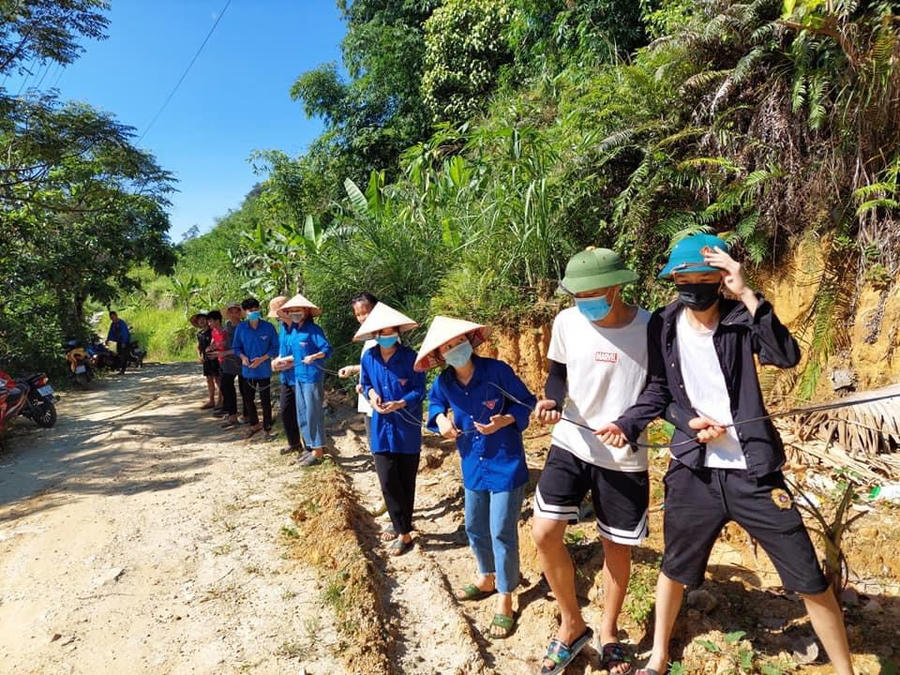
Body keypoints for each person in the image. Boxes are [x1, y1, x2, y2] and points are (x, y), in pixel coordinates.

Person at [595, 234, 854, 675]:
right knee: (674, 567)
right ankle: (658, 656)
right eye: (685, 280)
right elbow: (659, 390)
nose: (693, 287)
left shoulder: (740, 318)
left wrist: (747, 292)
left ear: (720, 279)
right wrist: (641, 423)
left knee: (809, 578)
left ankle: (845, 670)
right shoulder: (664, 324)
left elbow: (785, 355)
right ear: (674, 281)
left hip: (754, 471)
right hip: (692, 472)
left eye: (704, 279)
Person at [532, 247, 651, 675]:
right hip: (572, 441)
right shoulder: (567, 322)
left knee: (615, 546)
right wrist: (551, 400)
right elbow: (557, 374)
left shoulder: (649, 327)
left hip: (622, 454)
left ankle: (609, 632)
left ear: (616, 288)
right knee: (544, 531)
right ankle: (572, 624)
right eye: (577, 295)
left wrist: (630, 423)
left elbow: (660, 388)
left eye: (591, 294)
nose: (583, 302)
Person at [417, 315, 536, 639]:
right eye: (447, 347)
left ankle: (505, 596)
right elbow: (434, 406)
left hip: (506, 463)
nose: (455, 349)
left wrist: (505, 420)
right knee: (474, 526)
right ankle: (486, 576)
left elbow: (527, 402)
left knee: (502, 531)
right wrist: (441, 420)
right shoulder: (444, 383)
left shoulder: (497, 372)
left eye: (459, 342)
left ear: (469, 341)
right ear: (440, 355)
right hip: (472, 464)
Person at [356, 302, 425, 556]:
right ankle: (403, 531)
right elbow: (365, 383)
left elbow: (419, 390)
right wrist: (372, 395)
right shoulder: (369, 357)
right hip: (381, 426)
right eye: (381, 332)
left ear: (397, 332)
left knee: (406, 480)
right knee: (387, 479)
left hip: (406, 426)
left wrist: (401, 403)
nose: (386, 336)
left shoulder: (411, 358)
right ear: (375, 334)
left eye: (390, 332)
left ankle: (403, 529)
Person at [281, 292, 332, 467]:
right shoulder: (294, 330)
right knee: (302, 412)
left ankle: (318, 450)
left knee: (313, 413)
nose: (294, 313)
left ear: (306, 311)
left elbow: (327, 349)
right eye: (291, 311)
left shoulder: (314, 330)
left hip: (312, 376)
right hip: (298, 376)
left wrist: (315, 356)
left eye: (298, 310)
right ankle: (309, 446)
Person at [231, 297, 279, 440]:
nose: (254, 312)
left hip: (264, 370)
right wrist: (243, 357)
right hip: (248, 371)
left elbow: (275, 348)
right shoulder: (241, 328)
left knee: (265, 401)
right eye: (250, 310)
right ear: (245, 312)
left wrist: (263, 359)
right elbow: (236, 347)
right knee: (248, 399)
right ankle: (254, 424)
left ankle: (267, 427)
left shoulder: (268, 327)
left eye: (255, 309)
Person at [338, 292, 379, 444]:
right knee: (373, 442)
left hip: (379, 399)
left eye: (365, 312)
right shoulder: (369, 338)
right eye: (358, 314)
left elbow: (384, 368)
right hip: (369, 398)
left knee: (378, 445)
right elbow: (371, 366)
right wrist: (354, 369)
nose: (362, 318)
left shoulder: (385, 337)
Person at [269, 295, 304, 457]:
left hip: (300, 376)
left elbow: (306, 352)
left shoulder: (301, 327)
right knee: (285, 410)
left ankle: (310, 447)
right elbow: (283, 350)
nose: (278, 319)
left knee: (303, 413)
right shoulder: (282, 328)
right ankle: (294, 443)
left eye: (278, 315)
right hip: (286, 377)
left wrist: (289, 361)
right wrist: (277, 360)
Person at [216, 302, 244, 429]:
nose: (234, 314)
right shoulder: (227, 326)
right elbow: (226, 341)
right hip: (228, 361)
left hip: (242, 359)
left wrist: (225, 352)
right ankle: (232, 415)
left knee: (244, 389)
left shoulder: (244, 327)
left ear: (240, 313)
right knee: (226, 386)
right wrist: (216, 345)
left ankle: (248, 415)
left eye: (236, 312)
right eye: (231, 312)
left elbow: (242, 346)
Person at [191, 310, 219, 410]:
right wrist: (199, 356)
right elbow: (198, 347)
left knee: (218, 379)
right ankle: (211, 400)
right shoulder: (199, 334)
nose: (201, 321)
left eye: (203, 319)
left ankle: (221, 400)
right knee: (209, 379)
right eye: (199, 320)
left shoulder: (213, 331)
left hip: (215, 358)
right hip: (206, 360)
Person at [106, 311, 131, 375]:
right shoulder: (113, 324)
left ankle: (122, 370)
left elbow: (124, 333)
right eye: (111, 318)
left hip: (122, 342)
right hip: (115, 342)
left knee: (123, 356)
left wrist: (124, 342)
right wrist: (108, 340)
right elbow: (110, 333)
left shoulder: (121, 323)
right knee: (112, 354)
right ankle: (114, 367)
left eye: (113, 317)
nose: (112, 319)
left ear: (116, 316)